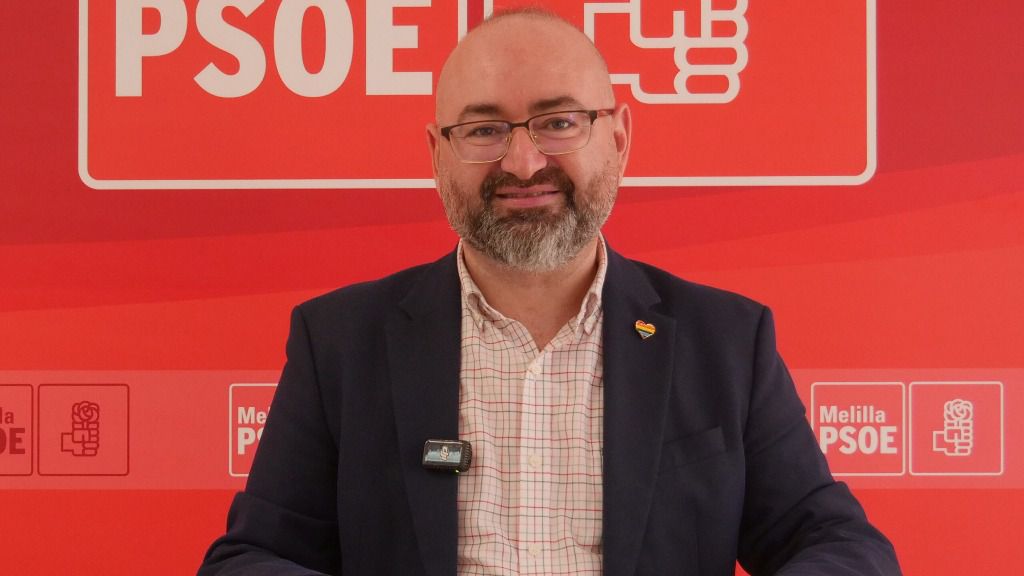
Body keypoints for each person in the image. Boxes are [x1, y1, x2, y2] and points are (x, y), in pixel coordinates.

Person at [199, 9, 901, 576]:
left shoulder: (724, 341)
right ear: (437, 154)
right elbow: (252, 558)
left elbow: (840, 545)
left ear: (618, 137)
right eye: (484, 130)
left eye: (558, 122)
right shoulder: (341, 343)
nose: (523, 161)